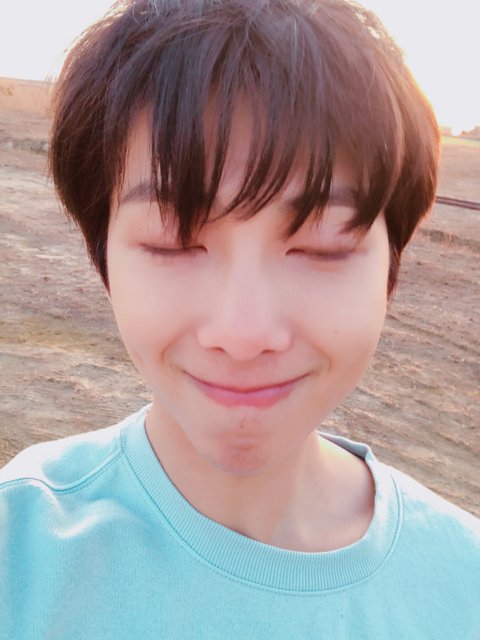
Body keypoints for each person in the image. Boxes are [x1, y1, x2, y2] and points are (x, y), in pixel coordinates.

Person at [1, 0, 478, 637]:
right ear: (103, 254)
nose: (243, 334)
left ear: (390, 265)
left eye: (322, 245)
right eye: (172, 241)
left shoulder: (463, 582)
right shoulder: (21, 553)